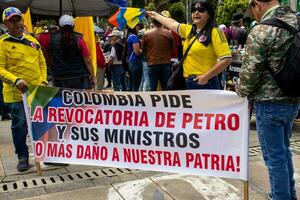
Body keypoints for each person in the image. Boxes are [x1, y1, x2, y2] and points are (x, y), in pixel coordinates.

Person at [237, 1, 300, 199]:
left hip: (269, 103)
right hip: (293, 98)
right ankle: (288, 194)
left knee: (274, 158)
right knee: (284, 151)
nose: (254, 16)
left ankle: (281, 196)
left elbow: (250, 73)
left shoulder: (262, 30)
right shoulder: (296, 20)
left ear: (257, 5)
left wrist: (240, 91)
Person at [0, 7, 47, 171]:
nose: (17, 23)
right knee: (19, 126)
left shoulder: (33, 42)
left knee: (42, 125)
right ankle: (22, 156)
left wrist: (43, 81)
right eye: (13, 20)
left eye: (19, 19)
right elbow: (0, 69)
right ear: (6, 23)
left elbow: (42, 63)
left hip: (37, 92)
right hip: (16, 94)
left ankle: (49, 155)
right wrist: (16, 80)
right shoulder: (2, 43)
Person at [147, 0, 231, 90]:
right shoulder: (188, 30)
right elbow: (171, 23)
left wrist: (206, 77)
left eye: (201, 10)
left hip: (206, 83)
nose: (196, 13)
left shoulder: (215, 32)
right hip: (188, 82)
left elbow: (226, 59)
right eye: (193, 10)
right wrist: (154, 15)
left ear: (209, 14)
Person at [38, 14, 95, 89]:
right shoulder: (79, 39)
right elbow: (87, 60)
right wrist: (93, 77)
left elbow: (37, 39)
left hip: (59, 77)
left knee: (62, 100)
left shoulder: (49, 38)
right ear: (73, 26)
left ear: (59, 26)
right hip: (80, 77)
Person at [142, 19, 175, 91]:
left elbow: (143, 50)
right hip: (165, 63)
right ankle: (166, 102)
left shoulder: (146, 34)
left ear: (153, 23)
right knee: (166, 88)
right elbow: (173, 48)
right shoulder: (169, 33)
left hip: (152, 63)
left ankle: (153, 102)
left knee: (152, 88)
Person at [125, 25, 143, 91]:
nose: (139, 28)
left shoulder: (129, 36)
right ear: (135, 27)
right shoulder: (134, 37)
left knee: (131, 85)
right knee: (136, 86)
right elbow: (137, 52)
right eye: (138, 26)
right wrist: (144, 50)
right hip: (136, 62)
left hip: (131, 62)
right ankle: (136, 100)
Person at [94, 25, 106, 90]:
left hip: (100, 66)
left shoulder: (96, 44)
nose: (97, 36)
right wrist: (102, 64)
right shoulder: (94, 45)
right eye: (96, 34)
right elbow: (98, 58)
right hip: (99, 66)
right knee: (99, 85)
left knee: (99, 84)